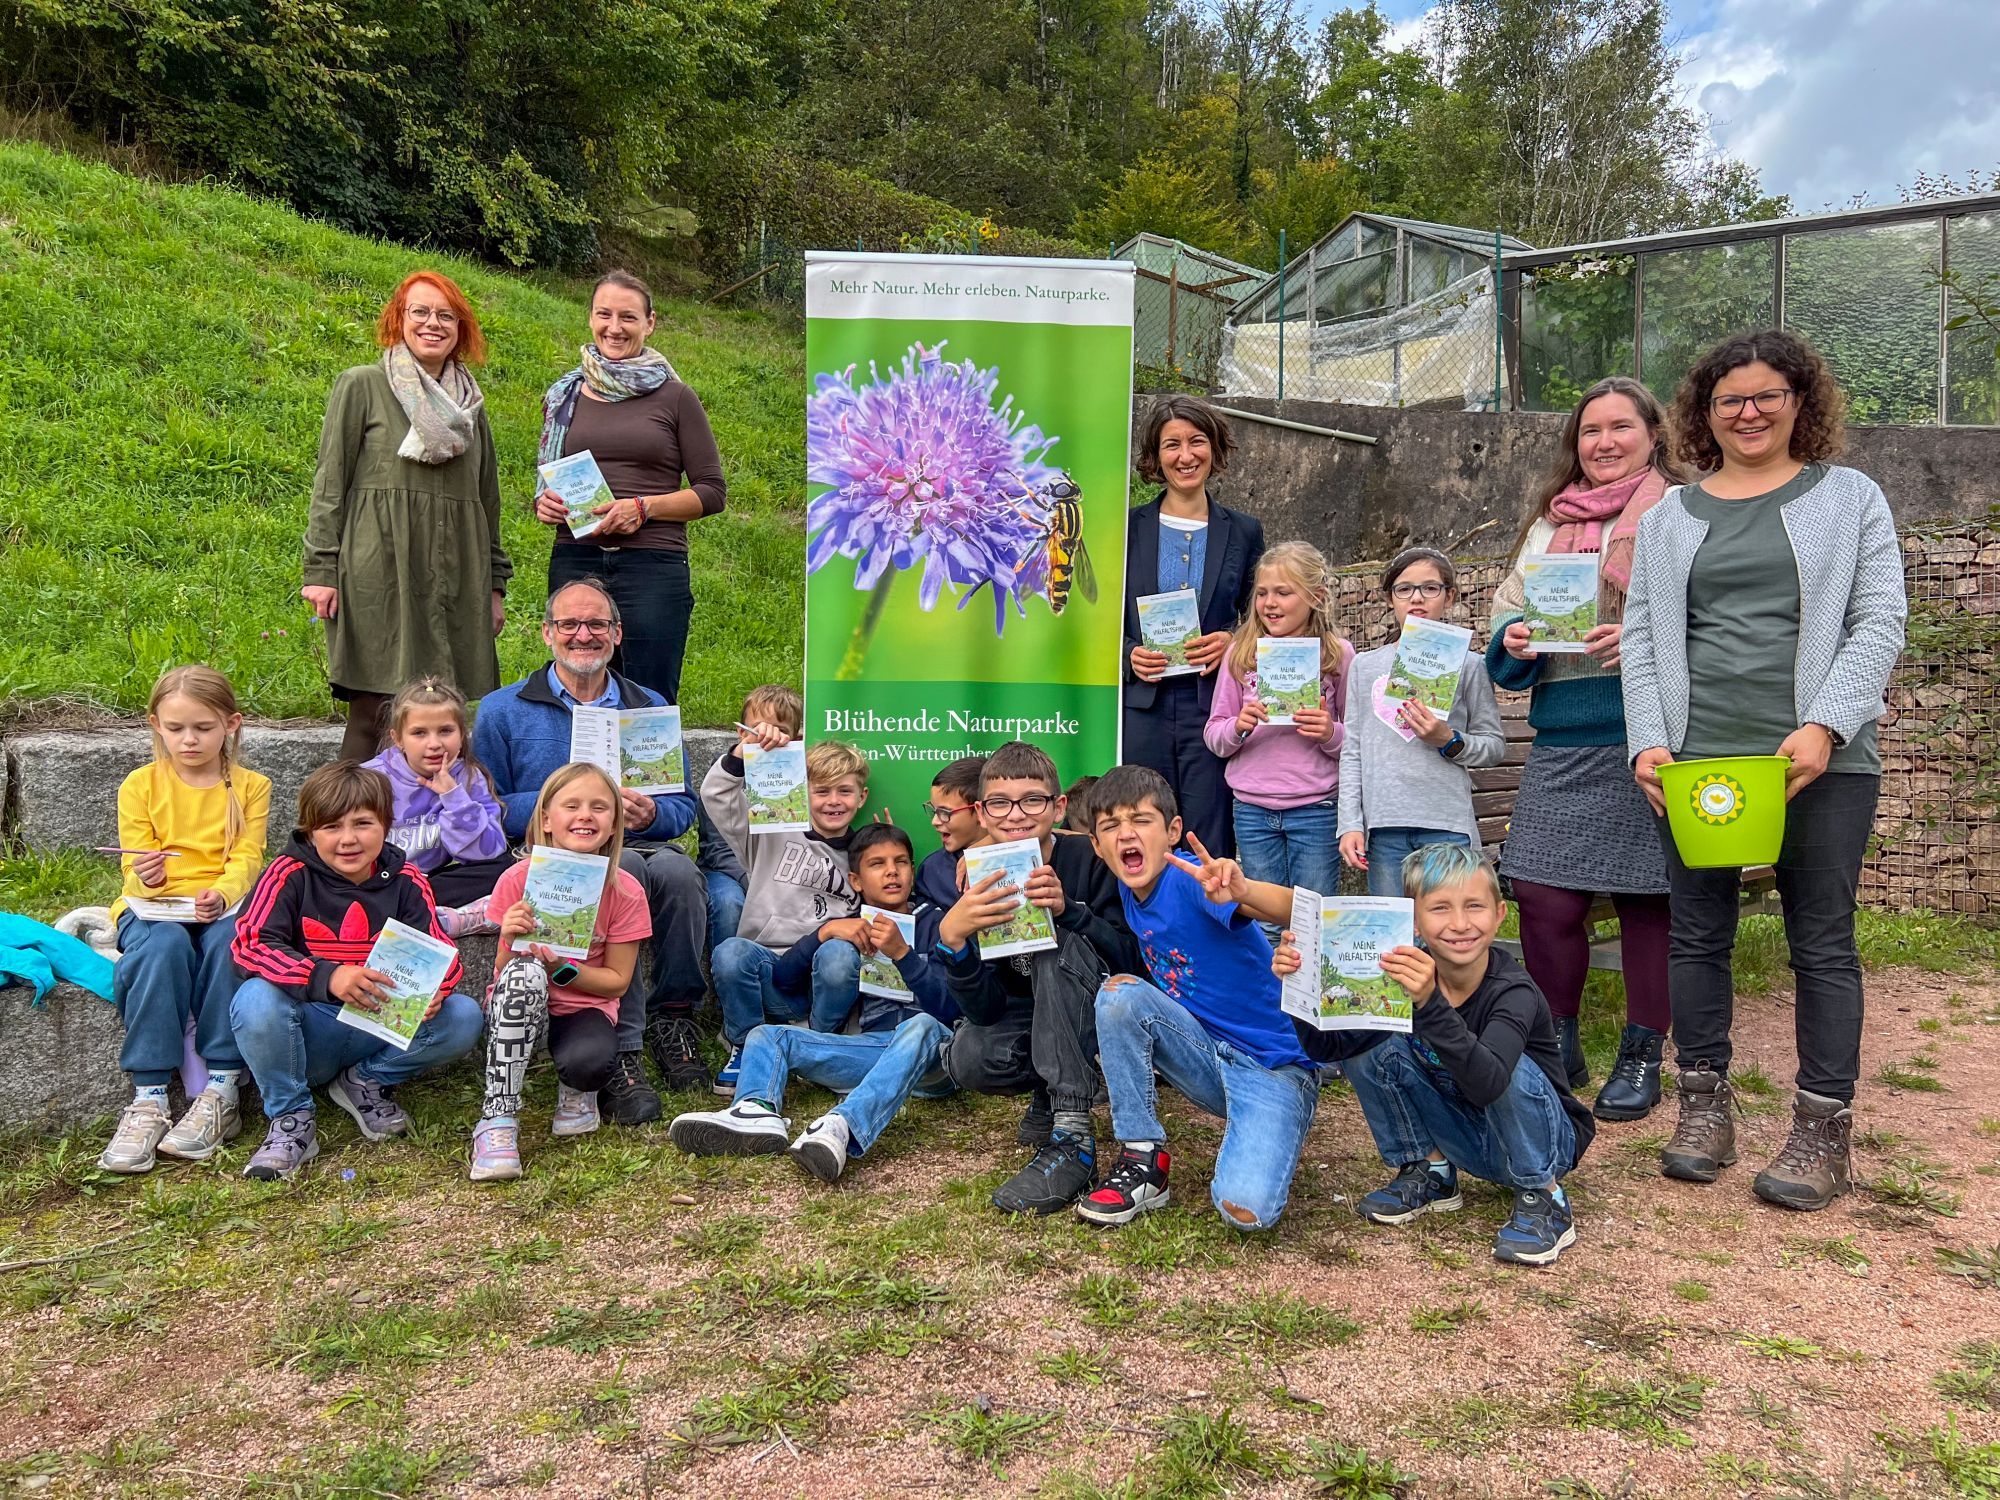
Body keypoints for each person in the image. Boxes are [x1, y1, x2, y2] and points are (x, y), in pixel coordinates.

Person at [1624, 329, 1906, 1212]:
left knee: (1820, 941)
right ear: (1703, 415)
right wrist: (1647, 742)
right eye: (1728, 400)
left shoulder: (1850, 497)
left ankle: (1823, 1129)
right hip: (1699, 760)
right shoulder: (1671, 516)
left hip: (1820, 762)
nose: (1747, 412)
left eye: (1765, 396)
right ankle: (1704, 1106)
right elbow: (1639, 637)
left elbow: (1879, 621)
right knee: (1697, 935)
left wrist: (1825, 724)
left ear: (1799, 403)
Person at [1485, 378, 1685, 1120]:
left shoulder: (1680, 513)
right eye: (1590, 430)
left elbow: (1701, 625)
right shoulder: (1548, 525)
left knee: (1648, 898)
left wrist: (1637, 642)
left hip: (1650, 733)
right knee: (1539, 891)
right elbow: (1504, 627)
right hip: (1563, 735)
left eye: (1619, 428)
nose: (1603, 442)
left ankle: (1641, 1052)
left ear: (1652, 434)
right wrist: (1511, 642)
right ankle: (1555, 1037)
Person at [1276, 844, 1595, 1267]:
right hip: (1466, 1136)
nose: (1460, 924)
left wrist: (1429, 1005)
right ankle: (1432, 1172)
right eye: (1440, 908)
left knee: (1506, 1064)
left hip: (1544, 1144)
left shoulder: (1513, 991)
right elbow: (1329, 1050)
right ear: (1413, 922)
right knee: (1372, 1042)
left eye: (1475, 906)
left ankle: (1544, 1197)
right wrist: (1302, 989)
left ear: (1500, 914)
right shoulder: (1401, 978)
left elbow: (1489, 1083)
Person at [472, 577, 710, 1114]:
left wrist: (652, 811)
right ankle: (625, 1048)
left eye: (597, 624)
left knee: (679, 876)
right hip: (551, 856)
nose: (584, 635)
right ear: (547, 634)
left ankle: (675, 1017)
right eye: (570, 625)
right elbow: (488, 808)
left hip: (640, 843)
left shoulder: (648, 706)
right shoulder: (503, 709)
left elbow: (682, 809)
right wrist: (564, 801)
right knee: (617, 868)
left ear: (617, 633)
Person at [1078, 767, 1319, 1232]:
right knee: (1119, 996)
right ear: (1097, 845)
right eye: (1110, 826)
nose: (1126, 833)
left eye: (1140, 820)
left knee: (1244, 1211)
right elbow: (1056, 838)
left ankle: (1278, 1117)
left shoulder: (1191, 879)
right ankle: (1143, 1157)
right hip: (1203, 1053)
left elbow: (1299, 909)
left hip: (1271, 1065)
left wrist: (1243, 889)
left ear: (1171, 831)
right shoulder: (1129, 882)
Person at [229, 762, 484, 1181]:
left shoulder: (407, 880)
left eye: (363, 824)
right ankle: (291, 1119)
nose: (348, 839)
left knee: (463, 1016)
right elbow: (250, 945)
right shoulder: (288, 874)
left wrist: (437, 988)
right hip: (306, 1028)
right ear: (310, 832)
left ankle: (364, 1080)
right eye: (331, 827)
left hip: (381, 1024)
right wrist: (328, 976)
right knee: (255, 999)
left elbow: (443, 952)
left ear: (386, 825)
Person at [667, 824, 957, 1182]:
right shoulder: (851, 926)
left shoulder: (938, 922)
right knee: (767, 1036)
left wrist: (904, 955)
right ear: (857, 880)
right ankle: (754, 1108)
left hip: (933, 1054)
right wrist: (826, 931)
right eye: (877, 864)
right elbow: (784, 978)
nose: (892, 871)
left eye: (901, 862)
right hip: (870, 1049)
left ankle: (843, 1126)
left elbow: (952, 1008)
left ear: (913, 870)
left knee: (922, 1026)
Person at [303, 270, 511, 761]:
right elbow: (330, 483)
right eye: (420, 312)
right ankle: (342, 828)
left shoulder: (471, 407)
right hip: (381, 570)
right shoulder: (362, 386)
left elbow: (488, 501)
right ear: (400, 319)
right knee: (374, 711)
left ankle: (439, 832)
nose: (432, 323)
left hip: (456, 573)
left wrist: (494, 585)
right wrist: (321, 570)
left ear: (461, 328)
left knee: (442, 716)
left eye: (446, 315)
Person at [933, 742, 1145, 1216]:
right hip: (1034, 1019)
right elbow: (985, 1011)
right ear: (981, 814)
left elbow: (1134, 960)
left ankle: (1072, 1137)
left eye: (1033, 800)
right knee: (969, 1056)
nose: (1016, 816)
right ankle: (1047, 1092)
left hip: (1100, 1011)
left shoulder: (1091, 860)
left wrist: (1071, 913)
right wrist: (955, 945)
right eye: (1000, 804)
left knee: (1056, 947)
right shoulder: (979, 877)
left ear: (1059, 806)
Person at [98, 666, 273, 1173]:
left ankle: (222, 1087)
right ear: (156, 725)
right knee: (162, 948)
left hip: (220, 904)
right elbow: (134, 864)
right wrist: (148, 877)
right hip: (153, 908)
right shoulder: (141, 785)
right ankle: (149, 1096)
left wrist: (221, 894)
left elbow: (246, 857)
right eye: (175, 729)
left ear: (231, 724)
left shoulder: (250, 786)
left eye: (203, 727)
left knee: (228, 946)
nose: (189, 739)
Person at [535, 270, 726, 704]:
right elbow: (548, 474)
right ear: (590, 318)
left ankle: (649, 776)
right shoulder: (566, 395)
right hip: (575, 557)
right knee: (577, 692)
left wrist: (643, 508)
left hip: (652, 567)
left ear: (649, 323)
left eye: (628, 317)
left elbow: (712, 492)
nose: (614, 328)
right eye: (604, 314)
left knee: (648, 700)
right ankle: (582, 775)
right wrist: (544, 503)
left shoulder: (676, 397)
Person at [470, 764, 651, 1181]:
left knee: (589, 1063)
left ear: (613, 825)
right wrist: (510, 937)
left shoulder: (624, 889)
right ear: (547, 820)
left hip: (583, 1006)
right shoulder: (517, 879)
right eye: (572, 805)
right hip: (518, 1002)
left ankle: (576, 1091)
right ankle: (498, 1119)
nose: (585, 815)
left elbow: (617, 982)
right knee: (525, 973)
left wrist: (563, 968)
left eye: (599, 808)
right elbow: (501, 971)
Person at [1122, 395, 1265, 858]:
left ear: (1215, 449)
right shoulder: (1126, 529)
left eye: (1197, 442)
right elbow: (1096, 620)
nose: (1186, 456)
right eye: (1172, 445)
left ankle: (1208, 924)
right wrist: (1127, 654)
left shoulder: (1243, 531)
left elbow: (1262, 617)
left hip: (1214, 704)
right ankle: (1143, 930)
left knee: (1209, 830)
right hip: (1144, 705)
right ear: (1154, 456)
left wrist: (1233, 642)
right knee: (1142, 823)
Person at [1338, 547, 1504, 896]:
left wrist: (1449, 739)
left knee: (1449, 930)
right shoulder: (1365, 667)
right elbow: (1352, 750)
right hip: (1384, 827)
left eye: (1430, 588)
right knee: (1396, 940)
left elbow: (1492, 746)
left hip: (1446, 822)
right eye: (1404, 588)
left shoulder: (1470, 665)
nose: (1417, 598)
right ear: (1389, 598)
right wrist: (1351, 823)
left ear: (1450, 596)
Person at [702, 733, 865, 1085]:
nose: (833, 802)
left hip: (826, 982)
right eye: (821, 791)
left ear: (861, 796)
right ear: (802, 791)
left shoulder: (866, 850)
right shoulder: (770, 831)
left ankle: (817, 1046)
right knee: (730, 953)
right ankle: (746, 1044)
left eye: (844, 791)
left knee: (839, 954)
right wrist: (744, 753)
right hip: (769, 974)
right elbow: (717, 795)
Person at [1203, 541, 1353, 902]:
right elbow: (1214, 734)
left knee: (1313, 914)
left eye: (1284, 593)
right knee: (1264, 918)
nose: (1270, 603)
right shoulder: (1240, 652)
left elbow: (1357, 742)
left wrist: (1329, 733)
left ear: (1315, 596)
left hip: (1316, 809)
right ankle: (1268, 963)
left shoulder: (1337, 654)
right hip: (1252, 809)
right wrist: (1239, 726)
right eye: (1262, 593)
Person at [362, 677, 511, 919]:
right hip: (379, 881)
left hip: (430, 882)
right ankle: (417, 910)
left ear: (462, 735)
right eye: (419, 733)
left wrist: (454, 797)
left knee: (503, 867)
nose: (434, 744)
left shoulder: (468, 776)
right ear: (398, 738)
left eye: (445, 731)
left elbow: (489, 852)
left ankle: (415, 908)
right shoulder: (372, 778)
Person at [698, 685, 802, 961]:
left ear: (796, 737)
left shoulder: (799, 779)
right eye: (757, 729)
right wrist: (754, 880)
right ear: (741, 732)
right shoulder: (725, 772)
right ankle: (726, 981)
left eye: (778, 730)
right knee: (730, 903)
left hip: (781, 870)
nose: (767, 738)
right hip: (728, 870)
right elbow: (717, 847)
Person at [915, 754, 989, 911]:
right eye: (933, 810)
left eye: (945, 812)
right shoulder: (932, 871)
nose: (935, 821)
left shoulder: (1025, 855)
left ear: (979, 811)